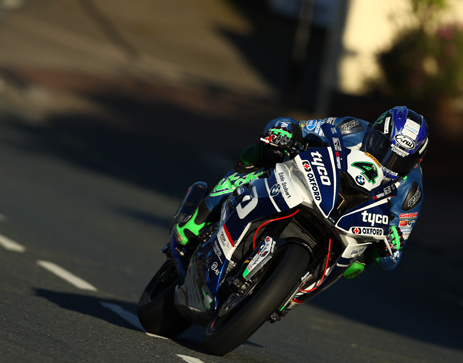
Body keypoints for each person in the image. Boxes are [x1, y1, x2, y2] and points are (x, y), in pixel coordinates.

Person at [172, 106, 428, 271]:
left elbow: (393, 257)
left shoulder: (412, 191)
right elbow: (300, 127)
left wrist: (390, 247)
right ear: (374, 133)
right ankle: (201, 217)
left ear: (416, 161)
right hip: (316, 187)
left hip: (349, 224)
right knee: (266, 153)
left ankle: (296, 287)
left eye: (400, 161)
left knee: (358, 264)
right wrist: (284, 132)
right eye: (384, 149)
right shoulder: (353, 128)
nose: (387, 164)